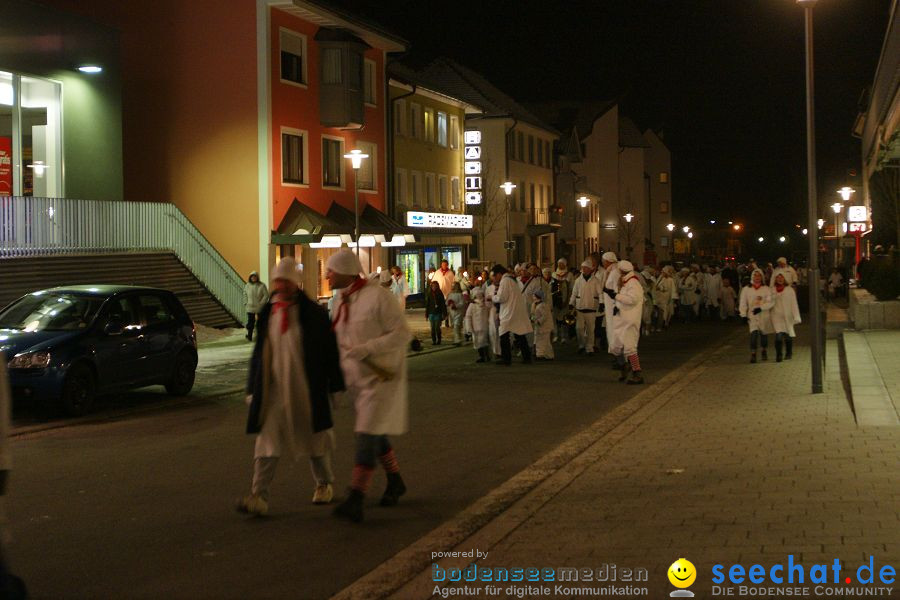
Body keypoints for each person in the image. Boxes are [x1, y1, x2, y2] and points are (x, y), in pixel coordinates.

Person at [237, 257, 344, 516]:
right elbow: (259, 354)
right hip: (273, 391)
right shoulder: (268, 313)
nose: (281, 286)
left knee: (315, 440)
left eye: (286, 281)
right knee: (267, 442)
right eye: (277, 280)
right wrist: (253, 388)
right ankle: (258, 496)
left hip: (306, 389)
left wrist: (335, 386)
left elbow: (330, 353)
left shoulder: (314, 315)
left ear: (296, 284)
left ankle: (324, 484)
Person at [327, 250, 410, 523]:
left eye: (331, 270)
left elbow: (401, 333)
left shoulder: (378, 297)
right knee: (374, 431)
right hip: (356, 381)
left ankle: (356, 496)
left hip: (379, 379)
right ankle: (395, 479)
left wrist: (368, 349)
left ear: (347, 271)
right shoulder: (340, 300)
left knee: (365, 433)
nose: (327, 275)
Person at [607, 260, 645, 384]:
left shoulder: (633, 283)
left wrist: (616, 296)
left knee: (630, 348)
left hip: (630, 321)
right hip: (621, 319)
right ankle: (624, 366)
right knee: (615, 346)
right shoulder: (626, 282)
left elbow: (632, 299)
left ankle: (637, 373)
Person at [491, 265, 533, 365]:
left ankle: (506, 358)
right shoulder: (512, 280)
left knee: (504, 335)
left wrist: (493, 297)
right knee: (519, 334)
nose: (495, 278)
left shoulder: (505, 281)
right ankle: (527, 357)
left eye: (495, 276)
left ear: (499, 274)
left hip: (509, 312)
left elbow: (502, 297)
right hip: (515, 311)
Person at [739, 269, 775, 363]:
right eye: (755, 275)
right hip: (752, 316)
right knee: (753, 336)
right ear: (752, 276)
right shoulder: (746, 289)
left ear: (761, 277)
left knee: (763, 336)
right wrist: (743, 314)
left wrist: (761, 308)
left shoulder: (766, 289)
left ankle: (764, 350)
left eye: (759, 276)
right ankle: (753, 354)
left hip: (763, 315)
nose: (757, 278)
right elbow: (743, 302)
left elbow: (771, 302)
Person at [569, 260, 601, 354]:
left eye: (586, 268)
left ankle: (589, 348)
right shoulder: (578, 280)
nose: (584, 269)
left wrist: (602, 303)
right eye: (583, 268)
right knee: (579, 328)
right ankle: (581, 345)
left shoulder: (596, 280)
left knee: (591, 330)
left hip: (591, 308)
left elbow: (600, 293)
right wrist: (571, 303)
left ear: (590, 269)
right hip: (580, 308)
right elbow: (574, 293)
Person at [771, 273, 801, 362]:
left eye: (781, 277)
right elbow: (768, 303)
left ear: (784, 279)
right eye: (778, 277)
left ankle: (789, 352)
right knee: (778, 337)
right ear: (775, 279)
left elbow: (794, 304)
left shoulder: (789, 290)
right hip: (776, 317)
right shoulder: (772, 290)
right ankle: (779, 355)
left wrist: (796, 316)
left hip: (788, 317)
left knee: (788, 337)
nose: (780, 279)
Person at [600, 252, 621, 367]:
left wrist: (616, 305)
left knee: (616, 332)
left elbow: (616, 290)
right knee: (611, 332)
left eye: (603, 261)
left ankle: (620, 359)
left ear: (608, 261)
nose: (602, 263)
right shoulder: (610, 271)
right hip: (609, 307)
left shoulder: (615, 273)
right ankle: (616, 356)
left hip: (614, 307)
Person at [464, 287, 491, 363]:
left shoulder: (486, 304)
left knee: (482, 342)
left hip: (482, 327)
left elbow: (468, 317)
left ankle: (484, 356)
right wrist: (469, 327)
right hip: (478, 327)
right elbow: (468, 317)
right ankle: (483, 356)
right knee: (480, 342)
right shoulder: (473, 305)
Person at [551, 261, 573, 343]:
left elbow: (572, 288)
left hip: (565, 299)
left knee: (564, 319)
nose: (561, 265)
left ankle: (564, 336)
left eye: (562, 263)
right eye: (559, 263)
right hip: (555, 300)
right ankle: (556, 335)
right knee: (554, 319)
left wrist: (569, 300)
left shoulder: (569, 275)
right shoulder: (553, 274)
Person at [244, 271, 270, 341]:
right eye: (252, 277)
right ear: (250, 277)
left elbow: (266, 295)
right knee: (250, 323)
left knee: (260, 322)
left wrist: (261, 303)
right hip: (250, 307)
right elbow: (245, 294)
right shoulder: (247, 285)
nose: (253, 278)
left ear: (257, 277)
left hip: (259, 307)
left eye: (255, 276)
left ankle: (261, 336)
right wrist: (245, 302)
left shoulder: (262, 285)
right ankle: (249, 336)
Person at [531, 289, 554, 360]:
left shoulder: (542, 306)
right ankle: (549, 355)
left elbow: (544, 316)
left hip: (544, 327)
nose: (533, 297)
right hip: (543, 327)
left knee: (541, 341)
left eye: (534, 295)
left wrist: (538, 321)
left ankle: (540, 355)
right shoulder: (537, 305)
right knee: (546, 342)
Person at [653, 266, 677, 331]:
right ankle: (661, 325)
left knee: (666, 312)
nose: (662, 273)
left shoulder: (670, 280)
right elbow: (656, 286)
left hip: (666, 298)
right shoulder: (661, 278)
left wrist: (673, 299)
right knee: (660, 312)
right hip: (660, 298)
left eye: (663, 272)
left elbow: (671, 289)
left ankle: (664, 324)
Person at [425, 280, 447, 346]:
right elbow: (427, 304)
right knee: (432, 328)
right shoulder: (429, 294)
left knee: (437, 327)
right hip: (431, 313)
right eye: (433, 286)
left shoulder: (440, 293)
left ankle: (439, 340)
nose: (434, 287)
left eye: (435, 286)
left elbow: (443, 304)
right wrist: (426, 314)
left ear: (437, 286)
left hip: (438, 312)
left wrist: (444, 313)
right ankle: (434, 340)